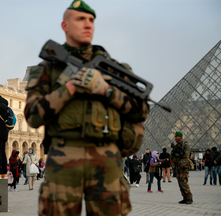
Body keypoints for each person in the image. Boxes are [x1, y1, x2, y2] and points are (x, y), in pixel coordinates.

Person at [24, 1, 149, 215]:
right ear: (65, 25)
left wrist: (105, 90)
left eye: (91, 20)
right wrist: (70, 87)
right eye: (80, 19)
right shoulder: (48, 69)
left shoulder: (115, 69)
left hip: (107, 157)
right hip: (63, 156)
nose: (88, 24)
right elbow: (33, 116)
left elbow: (141, 111)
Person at [171, 132, 193, 204]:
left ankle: (189, 198)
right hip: (178, 167)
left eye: (177, 136)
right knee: (180, 183)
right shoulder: (177, 146)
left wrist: (177, 154)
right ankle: (184, 198)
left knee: (184, 182)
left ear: (181, 137)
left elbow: (186, 155)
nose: (175, 138)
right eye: (175, 136)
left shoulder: (185, 145)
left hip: (183, 166)